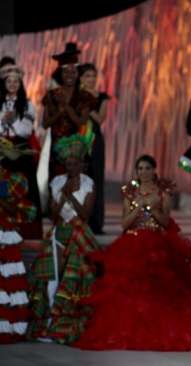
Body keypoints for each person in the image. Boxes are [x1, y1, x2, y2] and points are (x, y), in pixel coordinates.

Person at [74, 155, 191, 350]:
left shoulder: (163, 192)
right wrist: (137, 209)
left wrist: (150, 208)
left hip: (156, 242)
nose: (144, 172)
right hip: (132, 241)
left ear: (154, 170)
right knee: (127, 288)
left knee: (159, 288)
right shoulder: (130, 192)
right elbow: (125, 224)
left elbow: (166, 222)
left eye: (147, 168)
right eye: (140, 168)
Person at [27, 135, 98, 344]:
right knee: (52, 276)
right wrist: (61, 198)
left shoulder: (88, 183)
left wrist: (71, 196)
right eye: (67, 163)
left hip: (79, 235)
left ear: (82, 164)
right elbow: (53, 215)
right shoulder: (57, 182)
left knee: (74, 277)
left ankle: (68, 321)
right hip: (59, 232)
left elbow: (85, 215)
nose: (70, 166)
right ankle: (49, 321)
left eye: (74, 163)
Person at [0, 65, 42, 239]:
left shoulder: (28, 105)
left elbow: (25, 130)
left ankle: (27, 231)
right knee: (2, 188)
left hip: (19, 152)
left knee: (24, 189)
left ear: (20, 84)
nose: (12, 84)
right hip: (2, 150)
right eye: (9, 81)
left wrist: (12, 122)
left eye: (16, 81)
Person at [0, 138, 36, 343]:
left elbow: (14, 208)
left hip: (4, 231)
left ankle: (9, 324)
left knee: (7, 276)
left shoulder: (15, 179)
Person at [42, 43, 95, 179]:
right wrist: (59, 112)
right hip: (57, 151)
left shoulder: (85, 96)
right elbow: (45, 124)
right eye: (66, 72)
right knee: (56, 188)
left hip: (77, 150)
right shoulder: (51, 95)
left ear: (78, 74)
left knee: (76, 188)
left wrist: (66, 106)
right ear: (61, 73)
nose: (69, 75)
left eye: (73, 72)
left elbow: (81, 122)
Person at [78, 63, 109, 235]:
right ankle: (79, 220)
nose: (91, 79)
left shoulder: (102, 97)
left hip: (95, 141)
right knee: (79, 179)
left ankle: (96, 223)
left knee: (95, 179)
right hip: (78, 141)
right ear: (81, 78)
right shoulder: (75, 96)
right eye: (87, 76)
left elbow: (100, 119)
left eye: (93, 76)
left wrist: (88, 107)